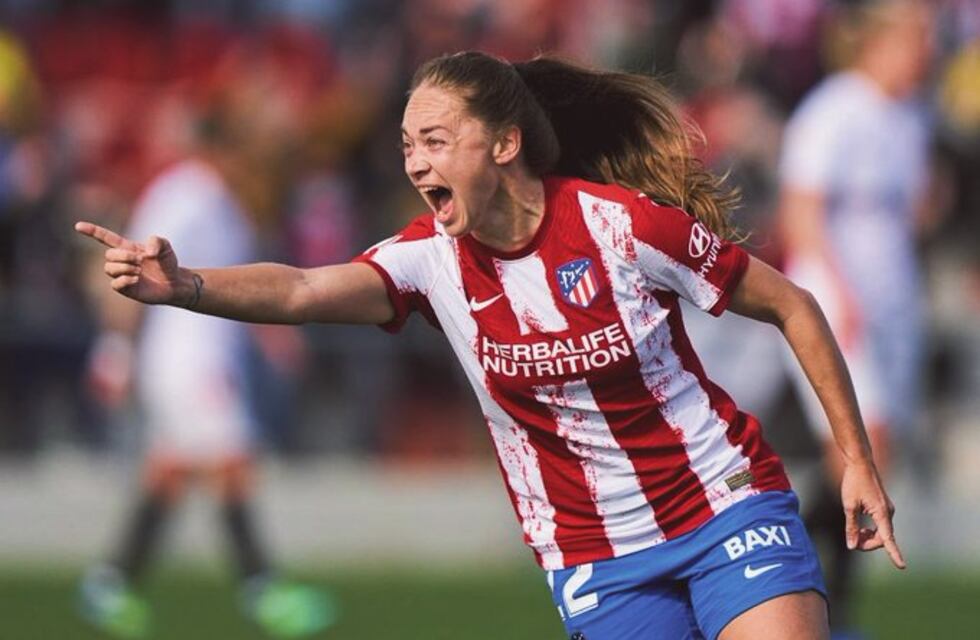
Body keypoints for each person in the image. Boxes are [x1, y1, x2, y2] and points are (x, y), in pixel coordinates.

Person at [76, 50, 904, 640]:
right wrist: (185, 287)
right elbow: (299, 289)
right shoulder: (428, 263)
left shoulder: (620, 226)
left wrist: (856, 458)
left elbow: (793, 305)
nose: (415, 162)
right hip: (595, 556)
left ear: (503, 144)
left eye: (435, 140)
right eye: (407, 146)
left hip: (727, 506)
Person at [77, 115, 334, 639]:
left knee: (168, 472)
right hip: (184, 359)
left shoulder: (225, 203)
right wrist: (115, 351)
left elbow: (233, 283)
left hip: (208, 357)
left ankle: (109, 585)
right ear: (226, 149)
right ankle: (264, 591)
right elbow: (130, 268)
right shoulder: (184, 194)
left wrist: (272, 334)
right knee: (233, 464)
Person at [777, 1, 934, 634]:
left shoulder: (909, 117)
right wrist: (837, 298)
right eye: (915, 42)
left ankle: (825, 598)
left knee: (876, 452)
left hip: (892, 297)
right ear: (880, 44)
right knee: (856, 448)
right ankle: (815, 595)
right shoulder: (833, 109)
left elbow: (912, 208)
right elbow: (803, 212)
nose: (925, 56)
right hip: (841, 300)